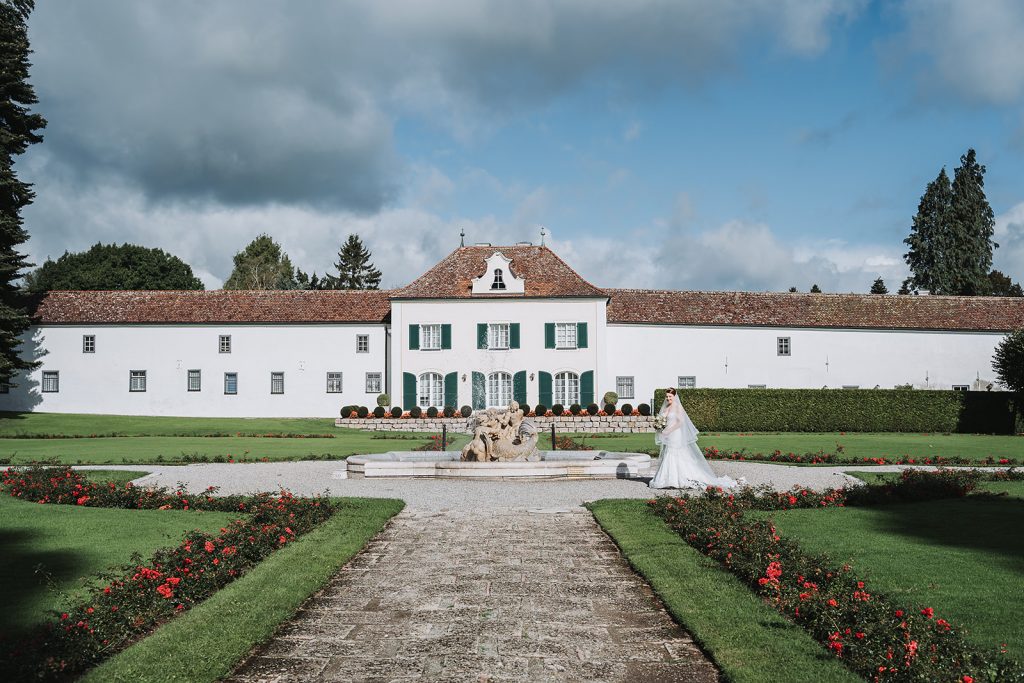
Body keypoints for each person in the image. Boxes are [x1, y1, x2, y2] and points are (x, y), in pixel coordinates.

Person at [649, 387, 742, 490]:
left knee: (675, 453)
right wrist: (658, 425)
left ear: (674, 396)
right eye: (666, 396)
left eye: (670, 396)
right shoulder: (666, 407)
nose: (668, 398)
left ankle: (680, 478)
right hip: (669, 434)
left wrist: (668, 430)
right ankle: (668, 478)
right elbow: (662, 419)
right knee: (668, 453)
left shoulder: (677, 407)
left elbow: (680, 422)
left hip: (675, 434)